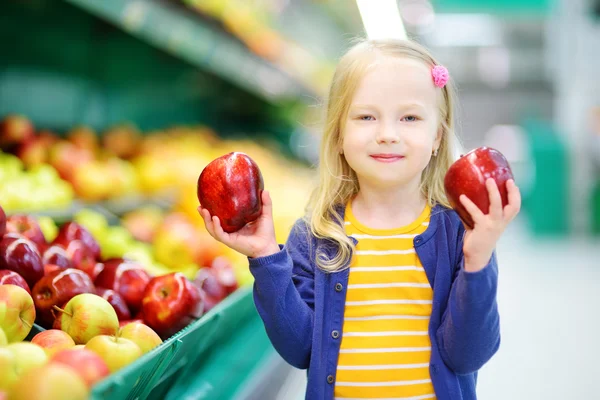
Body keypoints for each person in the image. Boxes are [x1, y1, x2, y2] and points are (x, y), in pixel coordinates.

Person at [199, 39, 521, 400]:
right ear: (338, 136)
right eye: (367, 117)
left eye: (410, 118)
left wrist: (478, 262)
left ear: (437, 138)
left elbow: (468, 355)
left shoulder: (458, 234)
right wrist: (265, 257)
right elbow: (300, 349)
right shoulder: (316, 236)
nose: (387, 134)